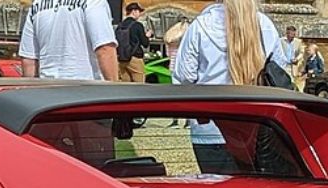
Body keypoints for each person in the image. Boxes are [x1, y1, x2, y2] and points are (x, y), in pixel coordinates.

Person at [171, 0, 287, 173]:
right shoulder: (265, 25)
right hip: (256, 129)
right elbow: (279, 72)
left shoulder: (200, 26)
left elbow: (185, 78)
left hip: (210, 128)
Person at [18, 0, 117, 81]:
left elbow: (29, 59)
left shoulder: (37, 5)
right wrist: (115, 92)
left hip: (47, 90)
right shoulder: (94, 2)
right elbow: (104, 49)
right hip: (86, 90)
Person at [115, 2, 151, 83]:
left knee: (125, 85)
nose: (140, 14)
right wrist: (147, 36)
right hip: (134, 58)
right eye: (139, 11)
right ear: (134, 11)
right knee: (139, 85)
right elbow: (145, 43)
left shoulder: (120, 25)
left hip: (121, 59)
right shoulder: (137, 25)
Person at [276, 26, 304, 92]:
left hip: (293, 65)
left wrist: (297, 59)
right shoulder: (281, 41)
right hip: (283, 65)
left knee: (292, 82)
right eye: (290, 34)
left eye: (293, 34)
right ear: (287, 33)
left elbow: (301, 52)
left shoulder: (298, 42)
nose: (292, 36)